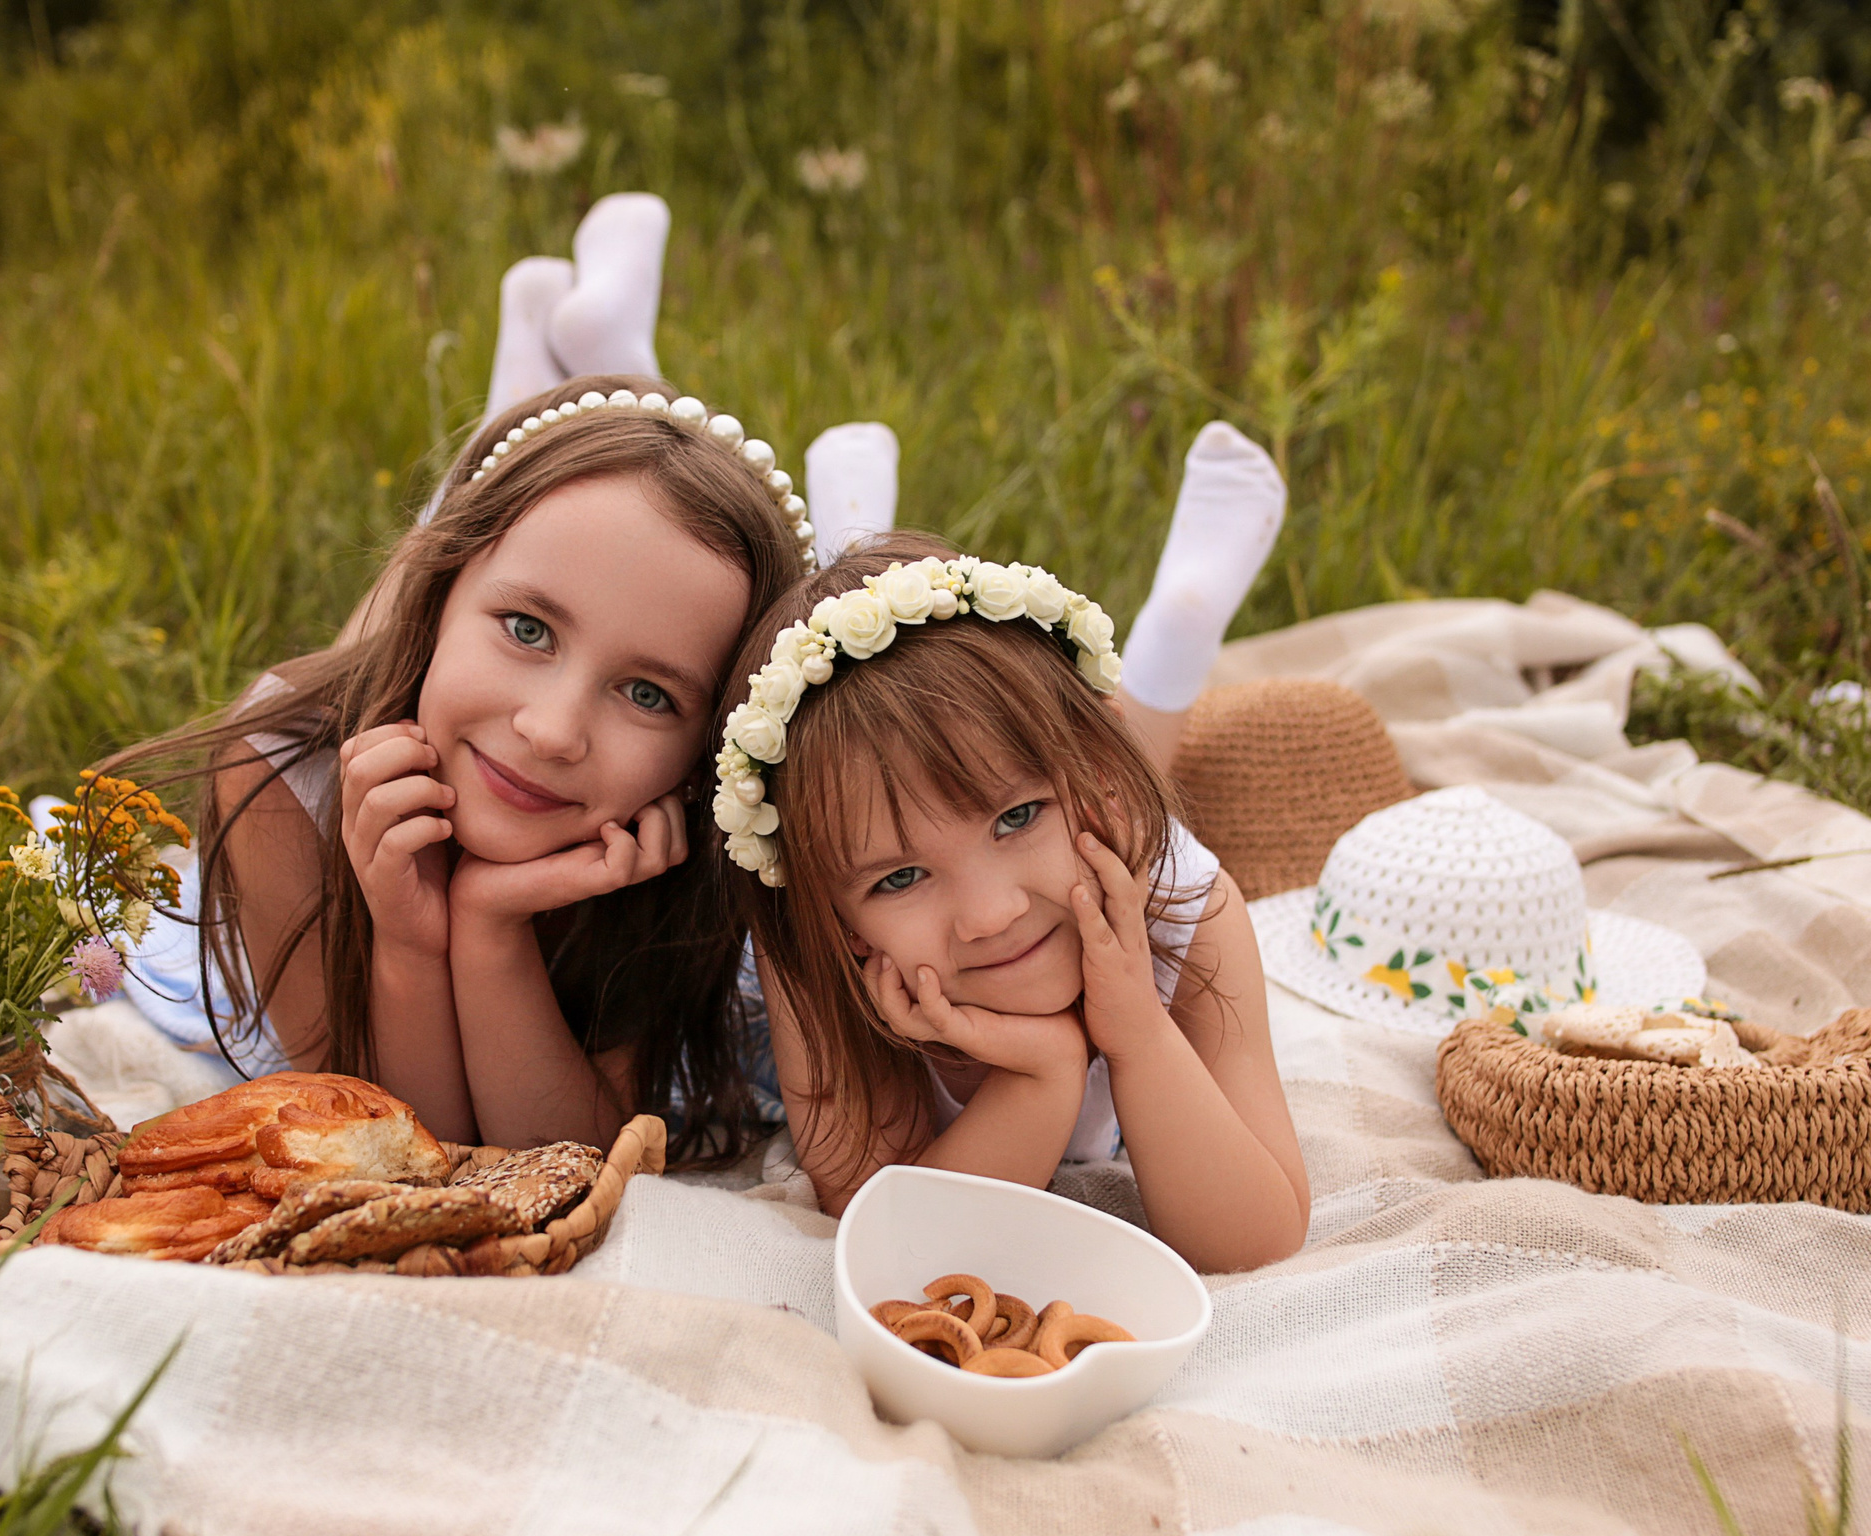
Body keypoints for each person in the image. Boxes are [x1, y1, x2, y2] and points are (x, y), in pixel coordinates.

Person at [120, 374, 813, 1161]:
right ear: (440, 592)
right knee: (401, 641)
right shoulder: (276, 773)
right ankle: (521, 377)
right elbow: (396, 1144)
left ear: (704, 755)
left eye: (648, 693)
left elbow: (555, 1153)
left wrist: (489, 926)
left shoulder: (694, 850)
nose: (552, 732)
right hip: (380, 682)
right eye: (528, 628)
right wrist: (409, 942)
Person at [717, 533, 1309, 1273]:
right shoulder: (814, 956)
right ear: (840, 920)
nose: (991, 913)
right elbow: (903, 1243)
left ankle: (1169, 653)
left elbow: (1259, 1238)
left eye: (1017, 816)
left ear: (1099, 781)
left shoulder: (1187, 906)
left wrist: (1139, 1036)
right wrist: (1045, 1070)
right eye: (898, 878)